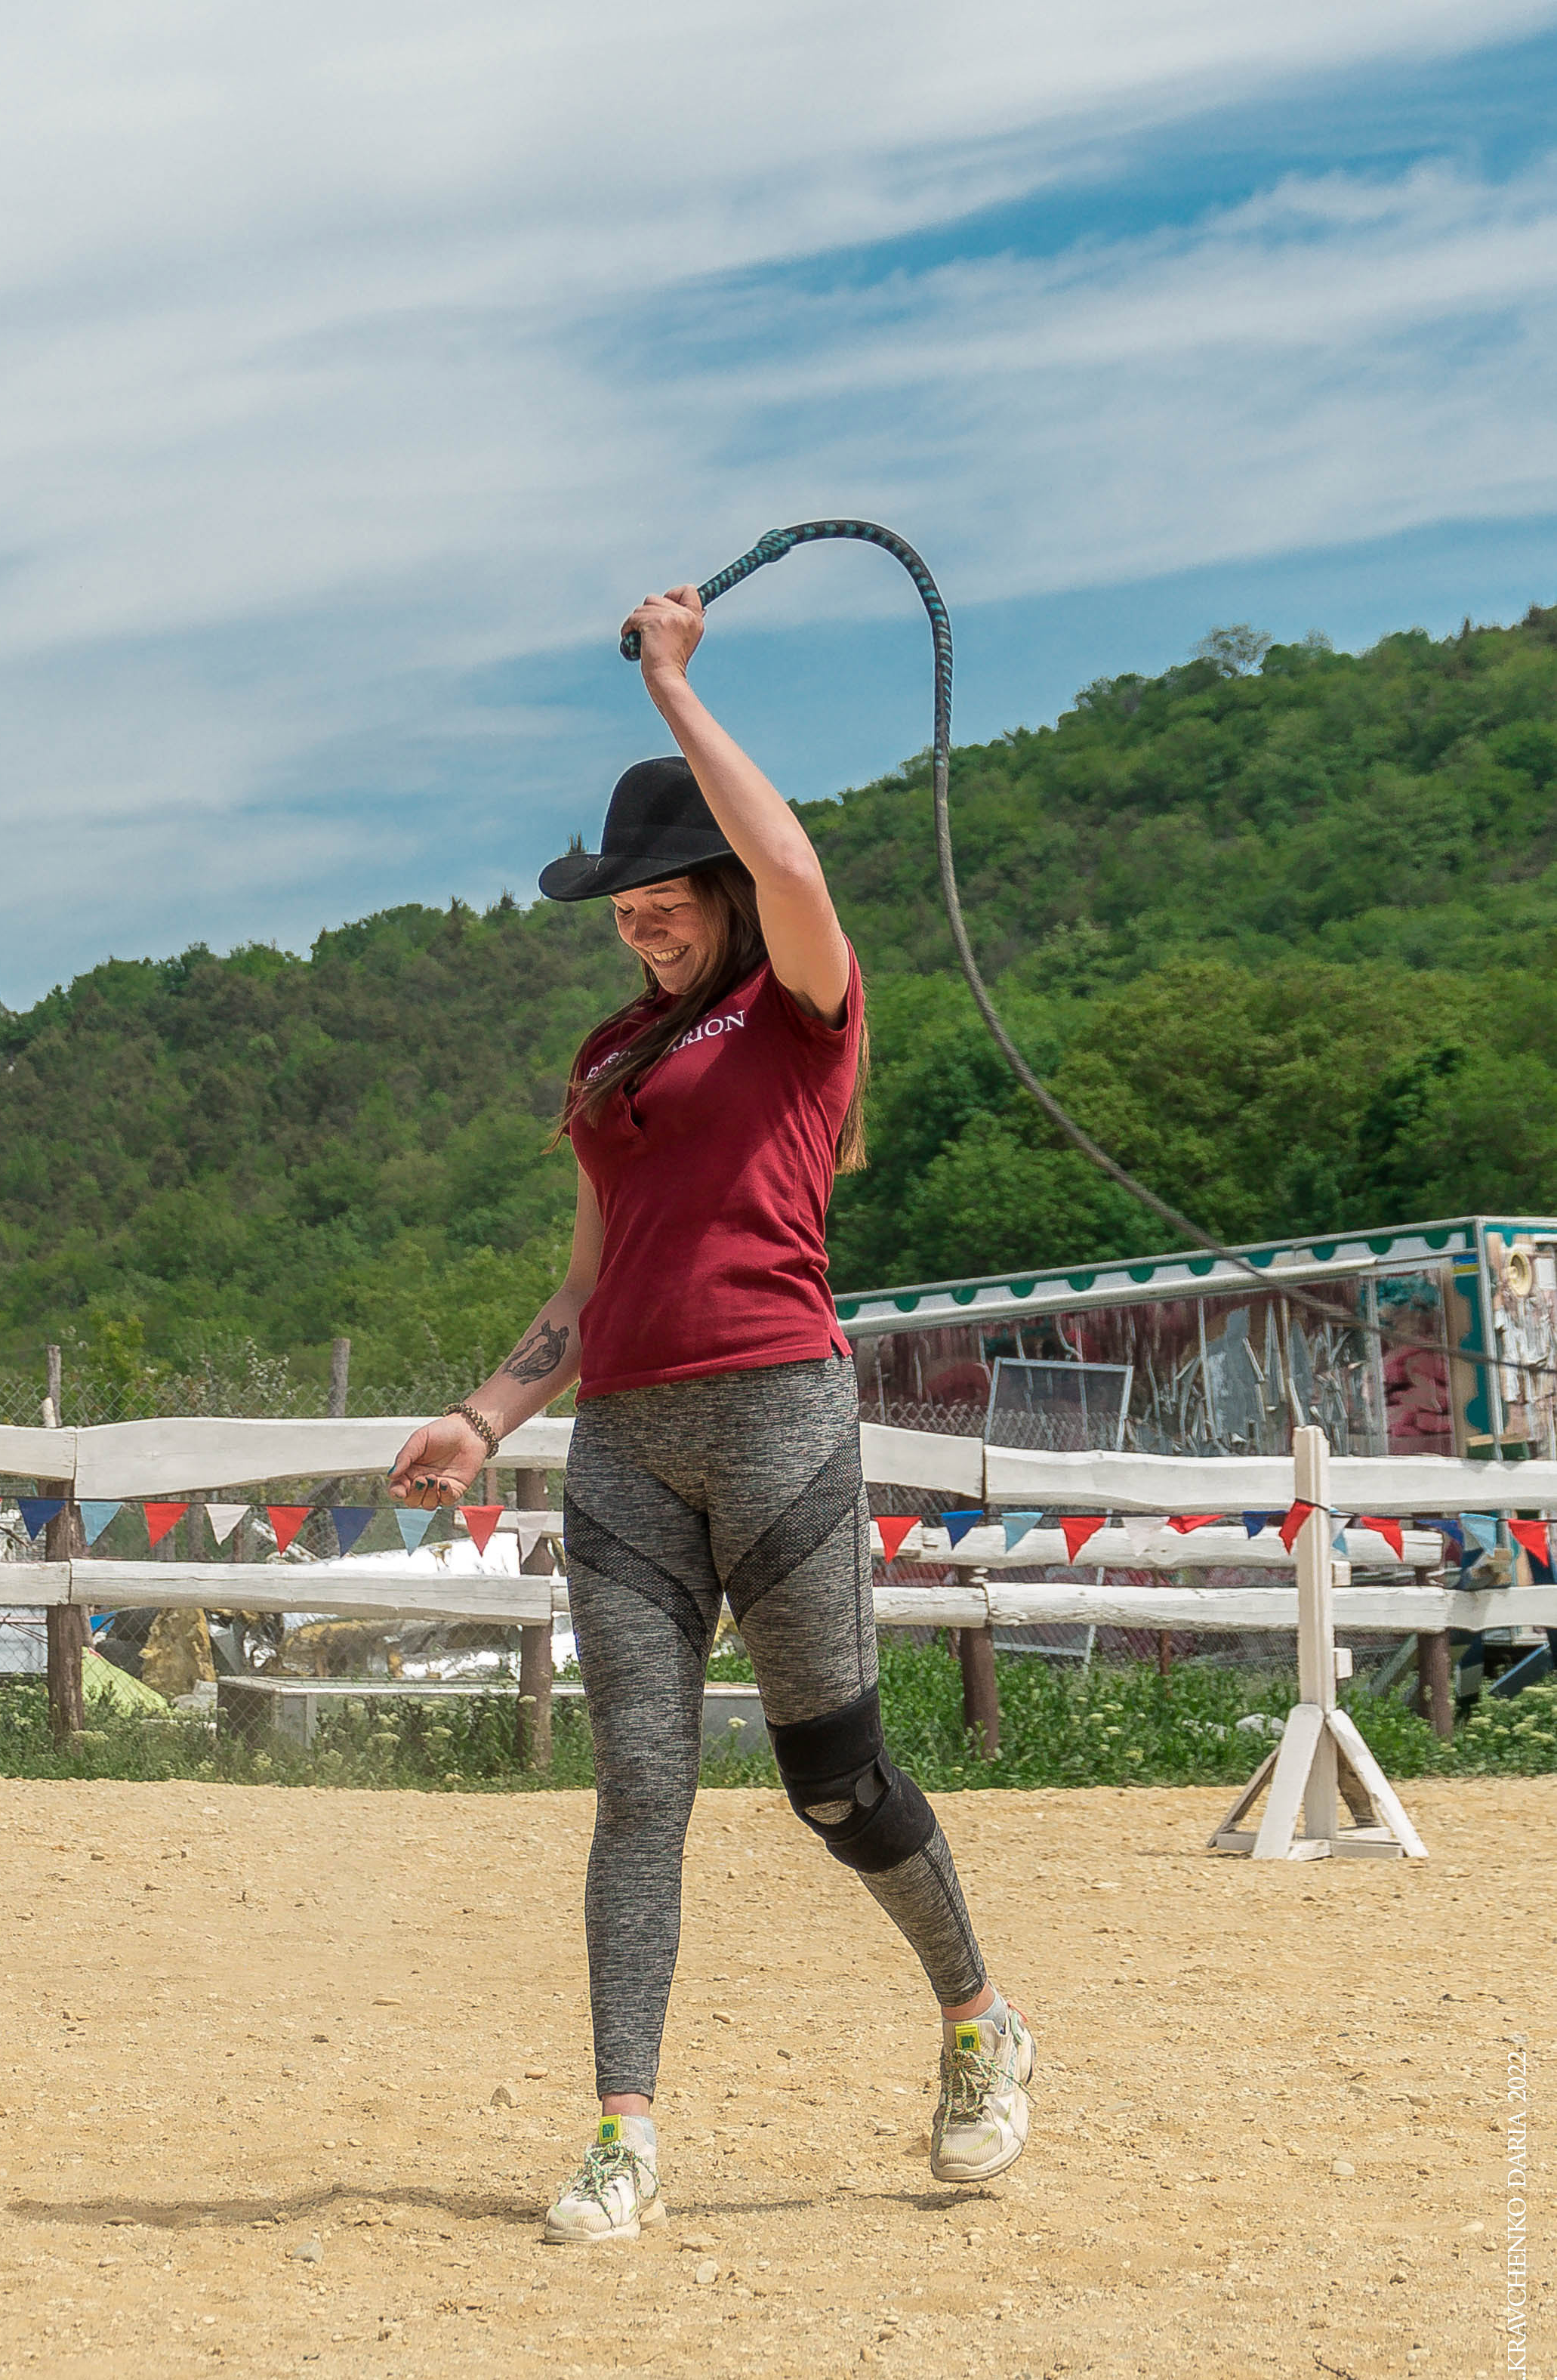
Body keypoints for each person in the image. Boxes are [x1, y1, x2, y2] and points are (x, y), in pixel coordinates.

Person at [389, 582, 1032, 2246]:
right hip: (626, 1441)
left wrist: (676, 686)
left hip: (776, 1415)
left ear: (727, 889)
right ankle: (623, 2133)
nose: (637, 920)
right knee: (639, 1791)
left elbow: (802, 873)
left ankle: (976, 2020)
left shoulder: (802, 1004)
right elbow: (594, 1277)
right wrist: (486, 1411)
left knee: (835, 1778)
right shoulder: (611, 1058)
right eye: (619, 901)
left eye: (662, 893)